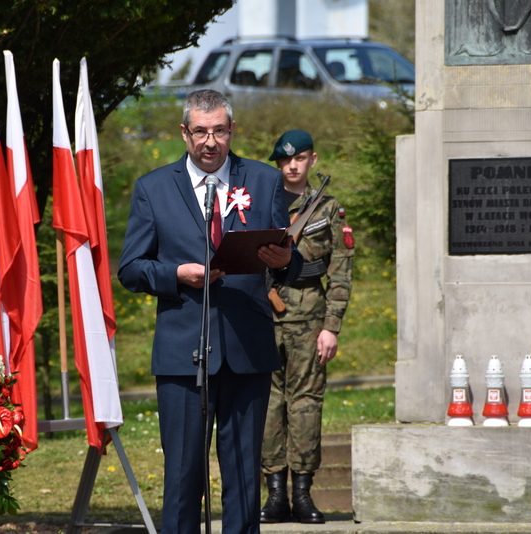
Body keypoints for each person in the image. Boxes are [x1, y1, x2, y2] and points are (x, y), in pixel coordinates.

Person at [118, 89, 303, 534]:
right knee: (183, 475)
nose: (210, 141)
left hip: (247, 348)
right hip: (185, 351)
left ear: (232, 130)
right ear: (185, 133)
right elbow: (131, 269)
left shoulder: (262, 180)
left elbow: (290, 260)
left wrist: (284, 262)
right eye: (200, 131)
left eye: (219, 130)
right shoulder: (154, 188)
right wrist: (177, 274)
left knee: (242, 474)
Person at [259, 130, 354, 524]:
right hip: (264, 315)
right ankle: (275, 494)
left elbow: (341, 271)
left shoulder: (328, 208)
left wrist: (331, 326)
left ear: (312, 160)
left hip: (310, 316)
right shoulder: (259, 203)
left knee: (306, 404)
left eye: (299, 158)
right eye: (285, 160)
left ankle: (303, 493)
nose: (292, 165)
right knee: (267, 404)